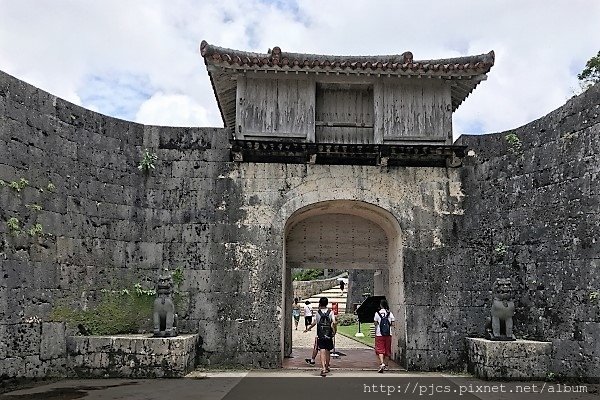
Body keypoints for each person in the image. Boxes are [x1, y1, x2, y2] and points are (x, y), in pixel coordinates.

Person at [304, 297, 337, 377]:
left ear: (320, 303)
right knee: (328, 351)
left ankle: (323, 368)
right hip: (329, 334)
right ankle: (327, 366)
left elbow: (314, 323)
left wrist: (308, 329)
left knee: (322, 351)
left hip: (320, 334)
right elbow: (334, 322)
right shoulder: (331, 312)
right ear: (327, 303)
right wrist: (334, 330)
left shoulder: (318, 313)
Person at [374, 299, 395, 373]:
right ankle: (386, 365)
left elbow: (376, 323)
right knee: (387, 349)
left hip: (379, 334)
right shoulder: (390, 313)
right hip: (388, 334)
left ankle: (382, 363)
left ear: (380, 305)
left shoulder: (377, 313)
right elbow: (393, 324)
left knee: (380, 349)